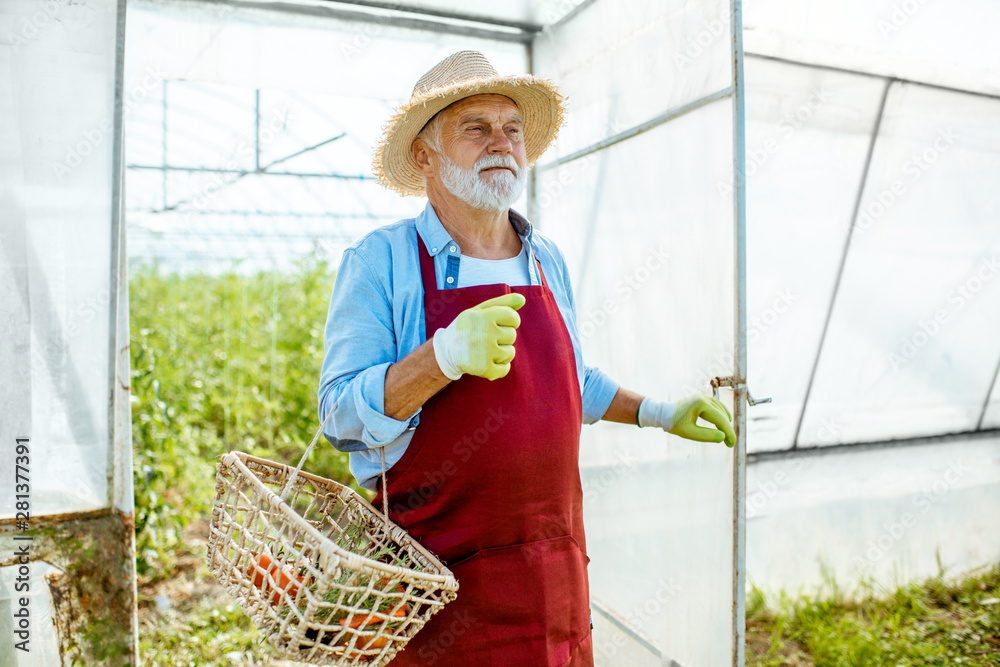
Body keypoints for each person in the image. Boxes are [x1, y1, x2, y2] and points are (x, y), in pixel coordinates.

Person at [318, 50, 735, 667]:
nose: (501, 144)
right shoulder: (382, 263)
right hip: (436, 586)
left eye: (512, 129)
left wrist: (658, 412)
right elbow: (339, 417)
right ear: (423, 156)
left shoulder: (547, 260)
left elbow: (570, 382)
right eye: (475, 128)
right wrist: (443, 356)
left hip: (553, 573)